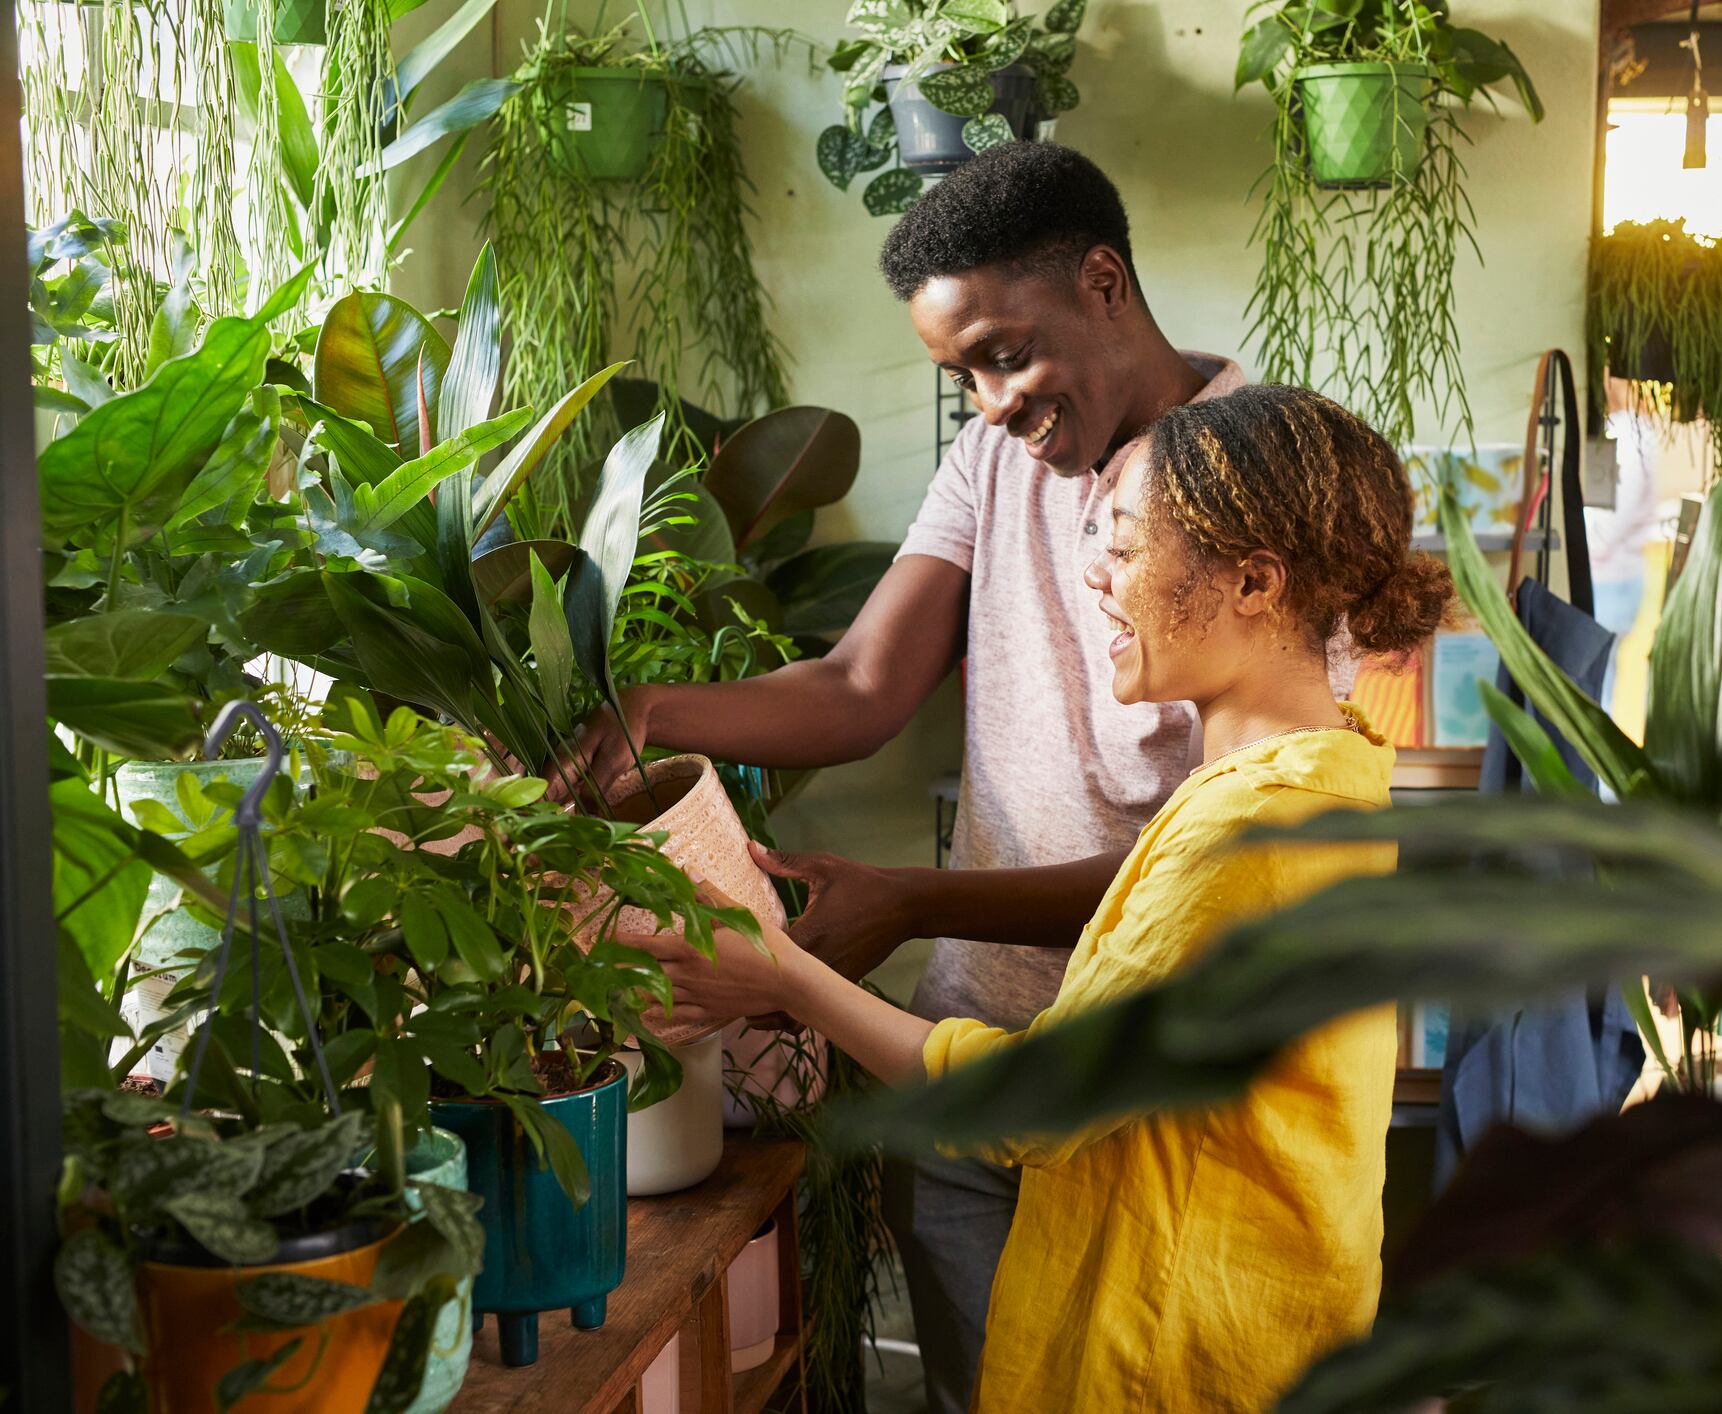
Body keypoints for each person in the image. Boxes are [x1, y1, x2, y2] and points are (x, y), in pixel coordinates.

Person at [550, 142, 1252, 1411]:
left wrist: (914, 899)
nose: (988, 402)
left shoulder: (1267, 480)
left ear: (1104, 283)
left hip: (1155, 1095)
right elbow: (865, 684)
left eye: (1002, 353)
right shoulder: (1000, 462)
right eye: (960, 373)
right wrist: (649, 711)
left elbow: (1214, 862)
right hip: (960, 1054)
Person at [632, 383, 1452, 1410]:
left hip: (1177, 1366)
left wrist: (786, 974)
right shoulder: (1319, 787)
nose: (1096, 577)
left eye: (1129, 544)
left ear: (1254, 580)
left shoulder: (1252, 832)